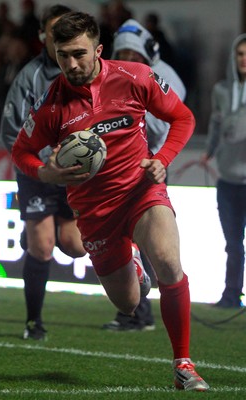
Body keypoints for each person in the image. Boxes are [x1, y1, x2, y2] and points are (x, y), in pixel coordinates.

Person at [11, 11, 209, 391]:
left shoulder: (135, 78)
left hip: (140, 191)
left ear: (99, 49)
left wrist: (161, 160)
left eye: (79, 54)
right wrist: (44, 173)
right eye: (62, 55)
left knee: (168, 262)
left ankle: (183, 364)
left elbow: (183, 118)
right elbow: (23, 152)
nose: (71, 63)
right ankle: (131, 261)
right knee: (128, 305)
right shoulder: (50, 105)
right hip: (95, 213)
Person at [0, 4, 86, 341]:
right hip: (37, 173)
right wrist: (40, 160)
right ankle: (34, 321)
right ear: (43, 37)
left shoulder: (85, 73)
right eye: (54, 34)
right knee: (44, 248)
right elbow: (11, 132)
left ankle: (31, 236)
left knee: (76, 246)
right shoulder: (29, 77)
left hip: (72, 174)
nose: (60, 40)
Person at [102, 18, 186, 331]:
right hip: (125, 169)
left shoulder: (164, 78)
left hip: (149, 168)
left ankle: (141, 312)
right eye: (121, 54)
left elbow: (163, 127)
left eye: (132, 55)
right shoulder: (125, 76)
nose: (126, 60)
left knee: (149, 241)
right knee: (132, 241)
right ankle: (136, 310)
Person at [201, 34, 246, 309]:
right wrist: (208, 153)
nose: (244, 59)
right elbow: (216, 126)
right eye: (240, 53)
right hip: (228, 180)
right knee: (232, 244)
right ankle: (231, 295)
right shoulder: (221, 90)